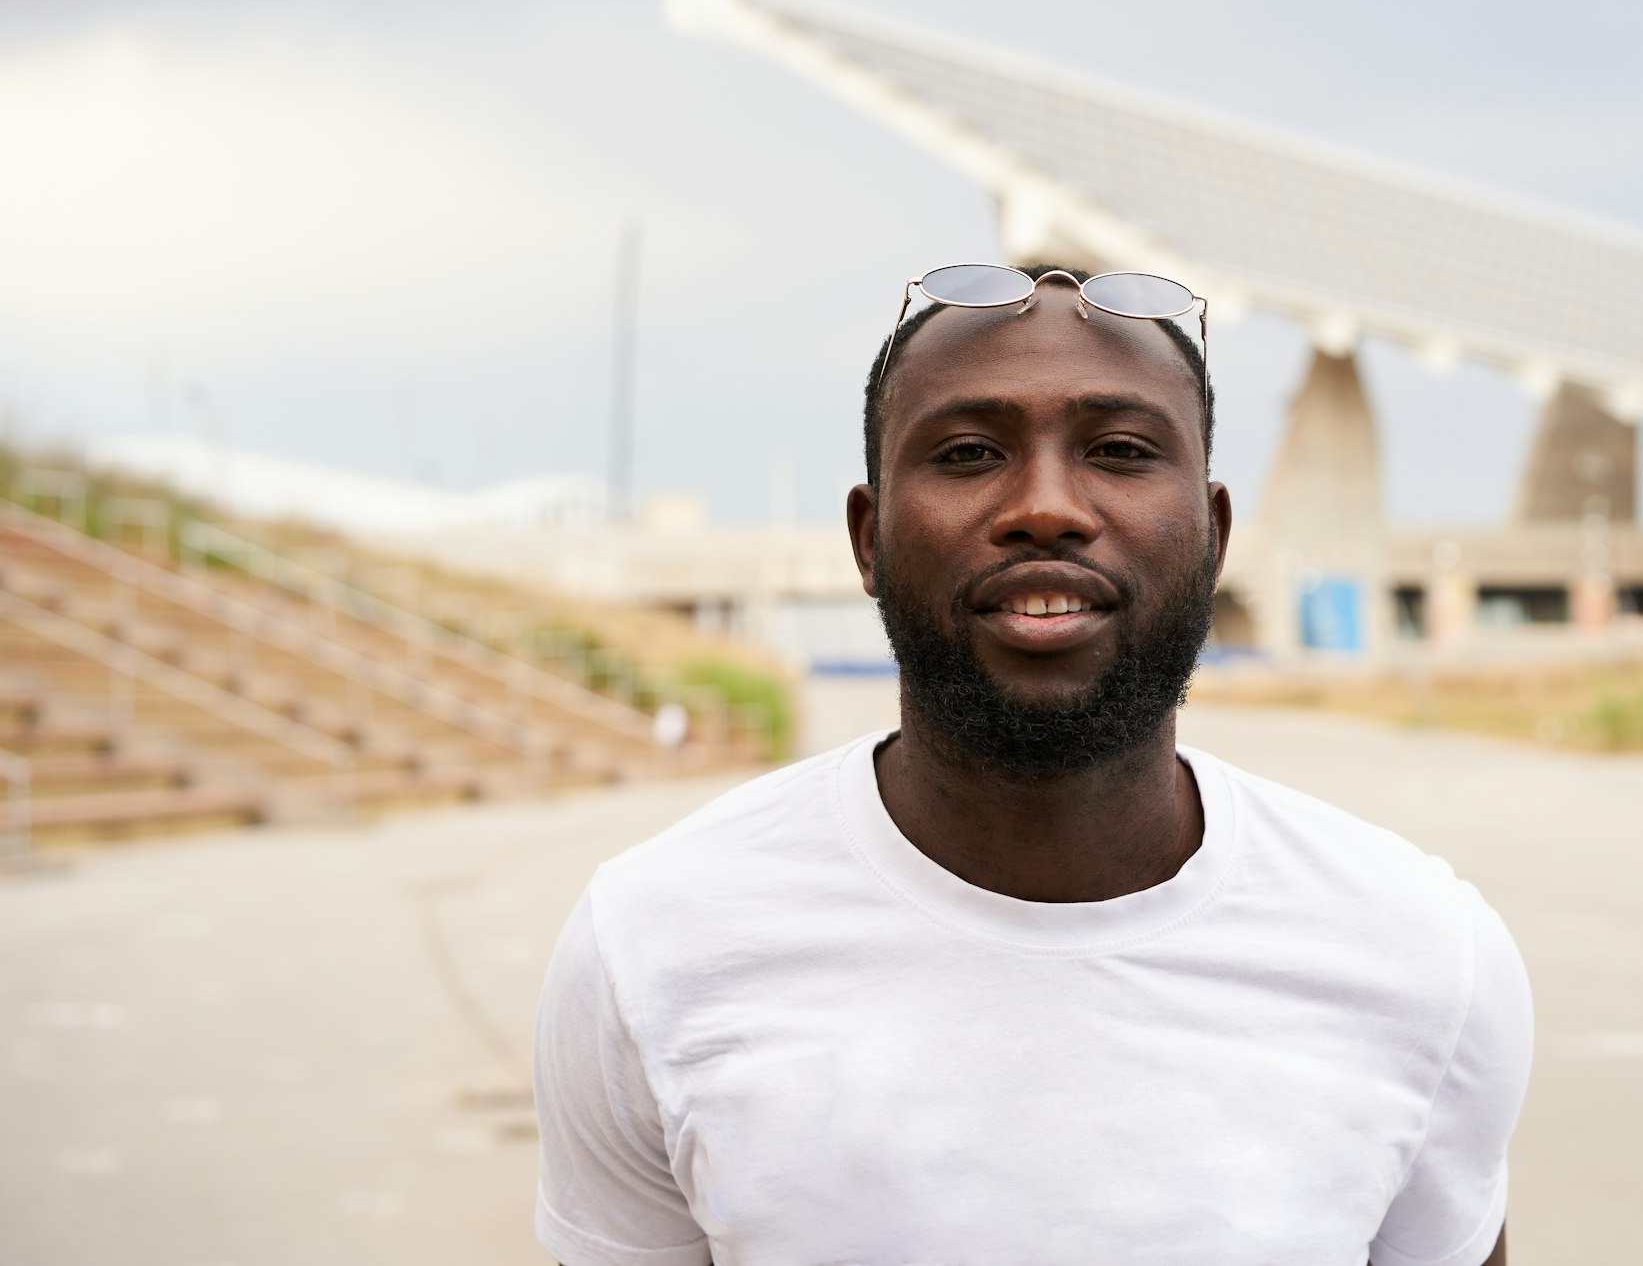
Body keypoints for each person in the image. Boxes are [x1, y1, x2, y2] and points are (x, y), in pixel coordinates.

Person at [532, 264, 1533, 1265]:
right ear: (868, 538)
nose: (1045, 507)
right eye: (968, 453)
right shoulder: (654, 945)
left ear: (1212, 538)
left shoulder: (1419, 952)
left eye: (1119, 450)